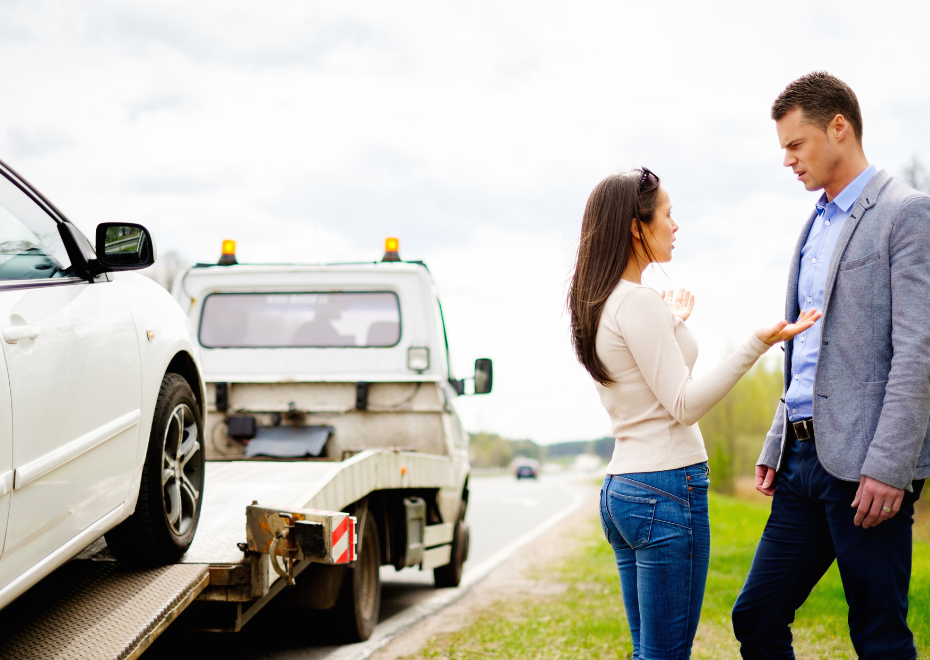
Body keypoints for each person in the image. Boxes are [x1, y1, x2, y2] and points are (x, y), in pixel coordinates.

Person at [567, 168, 820, 659]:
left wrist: (671, 323)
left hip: (624, 489)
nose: (675, 224)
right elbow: (682, 405)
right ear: (636, 227)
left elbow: (642, 378)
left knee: (649, 653)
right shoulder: (638, 303)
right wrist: (757, 344)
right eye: (667, 213)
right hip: (664, 490)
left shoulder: (600, 302)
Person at [731, 72, 930, 660]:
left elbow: (918, 350)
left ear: (838, 127)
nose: (788, 160)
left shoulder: (906, 213)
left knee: (879, 636)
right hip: (800, 462)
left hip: (867, 470)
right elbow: (805, 354)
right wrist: (775, 443)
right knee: (757, 616)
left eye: (796, 145)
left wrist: (890, 467)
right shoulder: (813, 225)